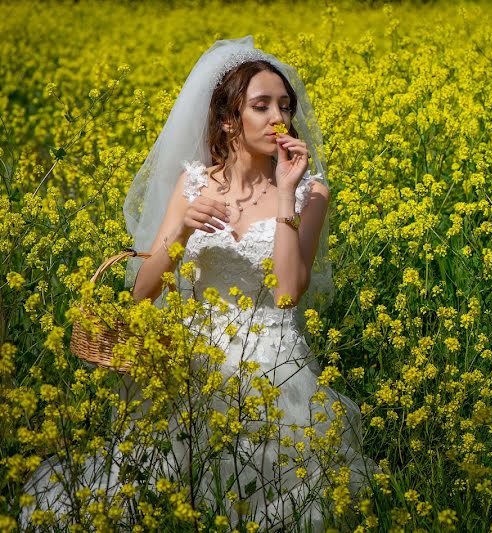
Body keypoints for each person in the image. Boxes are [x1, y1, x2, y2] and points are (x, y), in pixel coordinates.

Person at [22, 36, 373, 531]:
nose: (280, 118)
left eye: (285, 106)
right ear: (229, 119)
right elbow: (144, 291)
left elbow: (289, 292)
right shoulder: (193, 184)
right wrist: (183, 228)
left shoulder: (310, 191)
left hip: (275, 366)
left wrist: (286, 195)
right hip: (192, 361)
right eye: (262, 105)